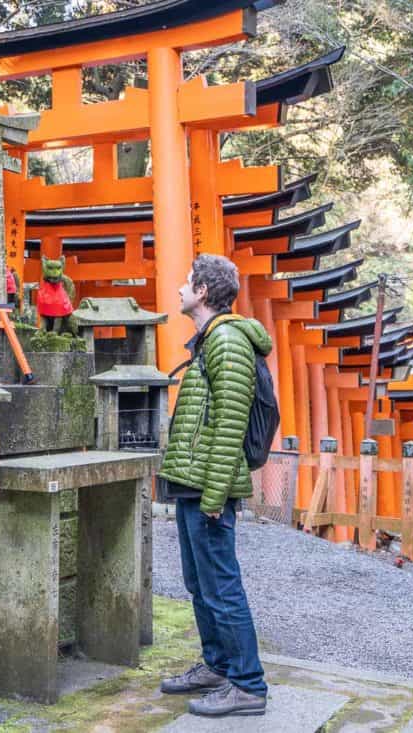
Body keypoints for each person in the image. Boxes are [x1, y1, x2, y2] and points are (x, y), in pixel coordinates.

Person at [157, 254, 271, 717]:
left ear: (203, 291)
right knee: (199, 583)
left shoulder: (226, 339)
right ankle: (217, 665)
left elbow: (229, 424)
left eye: (188, 282)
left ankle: (247, 684)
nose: (181, 289)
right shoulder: (209, 340)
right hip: (193, 480)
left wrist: (215, 496)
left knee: (221, 586)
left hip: (209, 487)